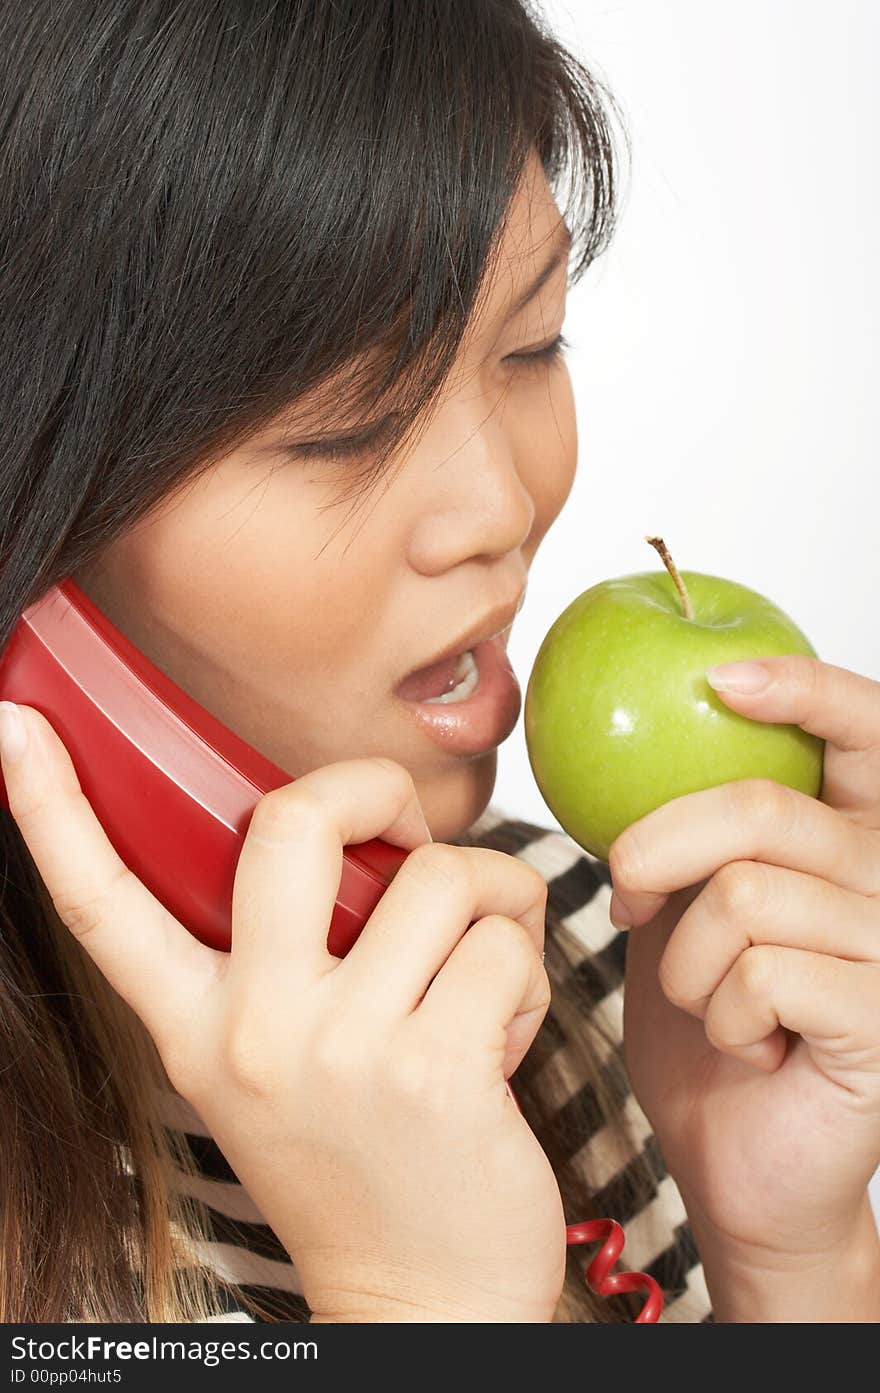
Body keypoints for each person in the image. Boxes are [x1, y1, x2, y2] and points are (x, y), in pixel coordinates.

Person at [1, 1, 878, 1325]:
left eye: (532, 346)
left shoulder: (579, 940)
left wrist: (793, 1255)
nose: (500, 508)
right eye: (344, 428)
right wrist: (413, 1301)